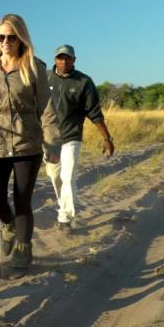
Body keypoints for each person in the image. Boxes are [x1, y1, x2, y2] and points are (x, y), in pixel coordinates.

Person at [0, 14, 60, 279]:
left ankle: (23, 248)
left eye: (11, 37)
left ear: (21, 38)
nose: (5, 42)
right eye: (1, 37)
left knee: (22, 200)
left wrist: (52, 143)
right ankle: (7, 225)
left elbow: (47, 108)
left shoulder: (35, 67)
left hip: (26, 144)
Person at [45, 44, 114, 230]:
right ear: (55, 60)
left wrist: (107, 138)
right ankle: (64, 205)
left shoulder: (84, 82)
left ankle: (65, 217)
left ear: (74, 60)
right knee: (55, 176)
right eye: (60, 58)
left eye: (68, 58)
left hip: (71, 137)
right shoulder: (45, 78)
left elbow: (94, 113)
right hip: (50, 139)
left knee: (68, 177)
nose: (64, 61)